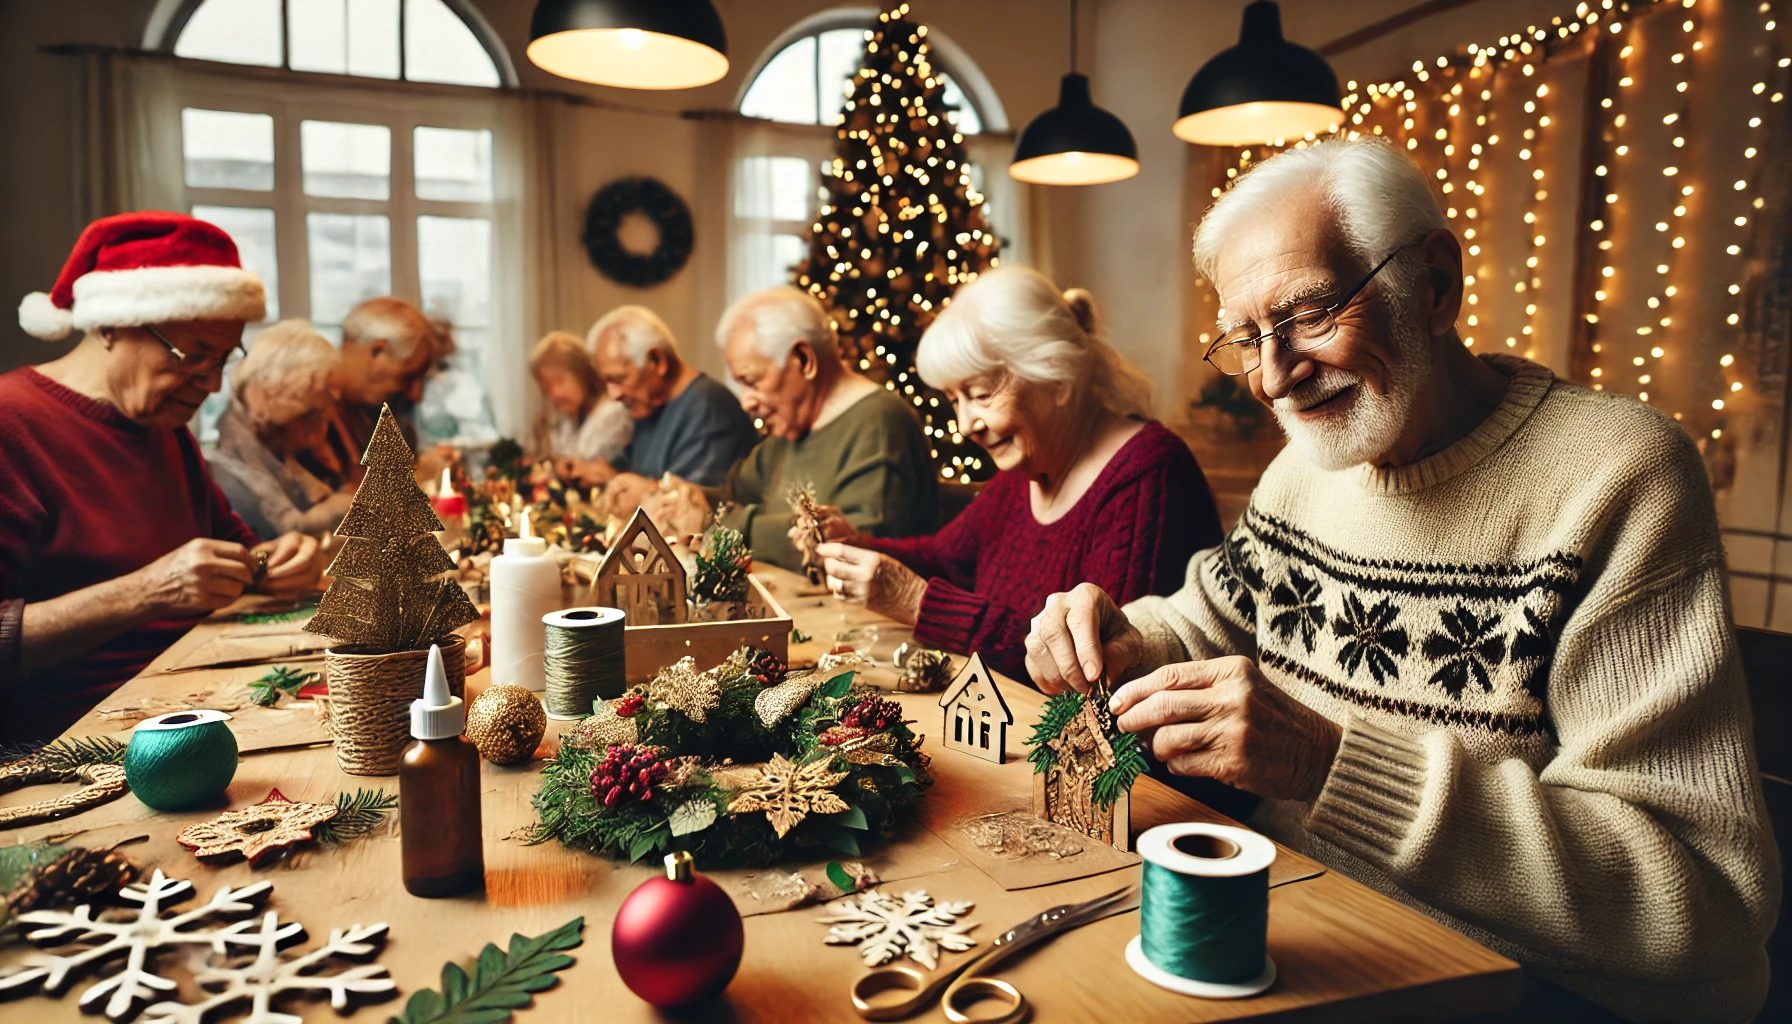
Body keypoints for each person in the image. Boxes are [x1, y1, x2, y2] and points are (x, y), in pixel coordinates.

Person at [1023, 137, 1778, 1021]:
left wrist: (1328, 762)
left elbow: (1699, 895)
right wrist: (1120, 638)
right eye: (1245, 340)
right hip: (1314, 937)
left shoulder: (1620, 475)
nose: (1273, 377)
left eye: (1308, 314)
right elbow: (1206, 623)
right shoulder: (1312, 466)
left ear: (1435, 286)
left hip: (1543, 993)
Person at [2, 212, 323, 742]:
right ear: (111, 325)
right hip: (76, 744)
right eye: (194, 356)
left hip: (208, 703)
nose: (214, 384)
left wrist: (277, 559)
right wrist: (148, 591)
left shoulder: (164, 428)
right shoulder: (12, 424)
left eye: (224, 358)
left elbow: (237, 552)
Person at [813, 268, 1222, 684]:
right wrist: (856, 547)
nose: (964, 425)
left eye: (980, 395)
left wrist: (915, 601)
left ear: (1056, 375)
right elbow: (946, 558)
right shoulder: (1023, 472)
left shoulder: (1147, 473)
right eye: (955, 400)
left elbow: (1092, 672)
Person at [691, 286, 939, 569]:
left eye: (752, 381)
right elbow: (729, 497)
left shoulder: (880, 423)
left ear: (804, 360)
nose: (746, 402)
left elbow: (848, 551)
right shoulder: (790, 428)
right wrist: (684, 500)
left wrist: (730, 526)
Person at [589, 305, 756, 509]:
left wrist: (646, 491)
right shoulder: (648, 406)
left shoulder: (710, 406)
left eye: (618, 379)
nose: (613, 394)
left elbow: (696, 509)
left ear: (657, 361)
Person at [205, 320, 356, 539]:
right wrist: (339, 507)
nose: (324, 422)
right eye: (310, 415)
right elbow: (282, 532)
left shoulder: (274, 445)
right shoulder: (232, 471)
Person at [301, 296, 442, 489]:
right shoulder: (305, 406)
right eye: (407, 376)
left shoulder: (367, 413)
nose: (413, 394)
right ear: (377, 351)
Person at [527, 329, 632, 479]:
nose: (555, 394)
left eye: (560, 381)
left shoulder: (614, 413)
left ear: (582, 373)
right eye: (547, 387)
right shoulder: (569, 418)